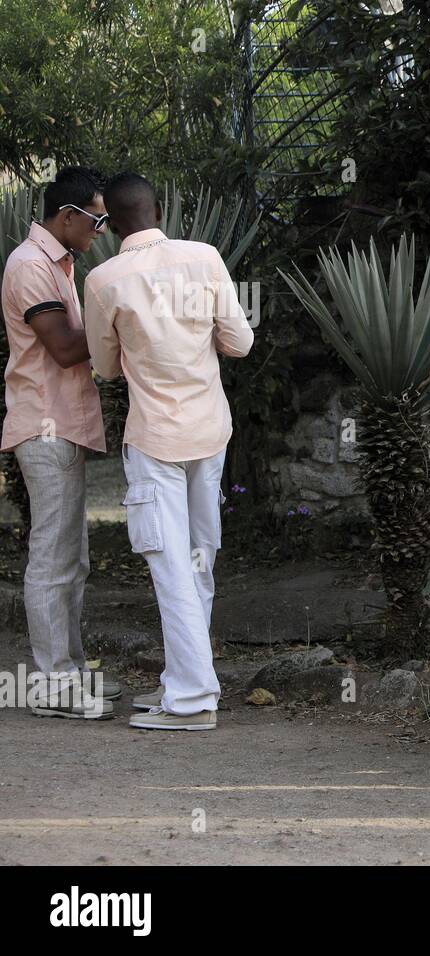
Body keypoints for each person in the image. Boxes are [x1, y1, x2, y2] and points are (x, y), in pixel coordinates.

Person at [83, 173, 254, 731]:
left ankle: (190, 699)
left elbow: (105, 368)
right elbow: (241, 342)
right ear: (159, 210)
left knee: (171, 566)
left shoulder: (104, 279)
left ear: (110, 223)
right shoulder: (204, 257)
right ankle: (185, 684)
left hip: (155, 438)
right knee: (200, 558)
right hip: (210, 432)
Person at [1, 165, 121, 718]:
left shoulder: (61, 265)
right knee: (52, 557)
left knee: (73, 557)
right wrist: (126, 322)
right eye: (96, 218)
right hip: (44, 427)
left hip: (64, 424)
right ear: (67, 215)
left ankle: (70, 671)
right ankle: (51, 685)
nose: (102, 228)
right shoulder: (29, 266)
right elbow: (68, 351)